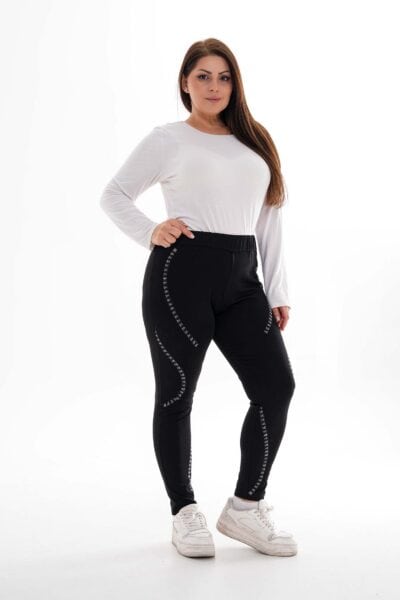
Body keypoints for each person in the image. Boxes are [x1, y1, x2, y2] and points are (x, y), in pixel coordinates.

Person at [100, 37, 297, 559]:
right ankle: (184, 511)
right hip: (180, 276)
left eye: (224, 77)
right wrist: (150, 231)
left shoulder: (255, 140)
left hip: (243, 280)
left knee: (276, 386)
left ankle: (246, 508)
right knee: (177, 393)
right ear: (185, 83)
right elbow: (114, 195)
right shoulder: (167, 139)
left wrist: (277, 289)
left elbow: (270, 218)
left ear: (236, 84)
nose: (214, 86)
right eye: (203, 76)